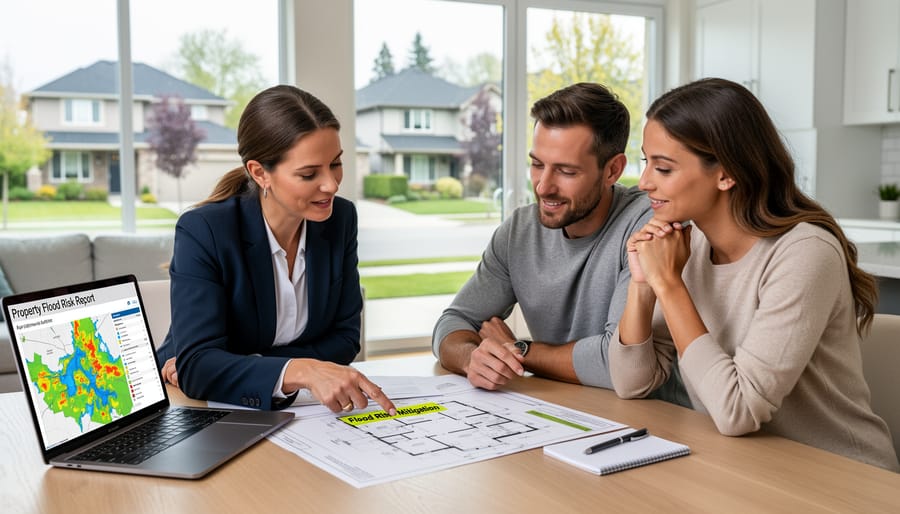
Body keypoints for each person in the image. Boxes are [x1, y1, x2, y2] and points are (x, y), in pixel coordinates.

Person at [610, 77, 899, 471]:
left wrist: (669, 285)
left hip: (842, 476)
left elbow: (738, 410)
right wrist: (643, 284)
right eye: (646, 163)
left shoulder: (804, 253)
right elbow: (631, 383)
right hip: (746, 467)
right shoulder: (687, 247)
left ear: (726, 174)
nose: (644, 182)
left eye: (663, 168)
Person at [155, 85, 396, 415]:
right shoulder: (205, 230)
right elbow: (198, 367)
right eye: (309, 174)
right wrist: (302, 370)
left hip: (292, 410)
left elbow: (344, 339)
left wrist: (259, 368)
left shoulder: (340, 219)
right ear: (260, 173)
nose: (331, 184)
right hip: (190, 405)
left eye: (336, 163)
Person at [432, 82, 652, 391]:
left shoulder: (645, 226)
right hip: (558, 404)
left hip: (643, 413)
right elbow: (452, 324)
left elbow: (617, 363)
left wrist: (519, 351)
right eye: (537, 164)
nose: (543, 186)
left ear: (612, 170)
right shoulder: (519, 231)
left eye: (566, 171)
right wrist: (472, 359)